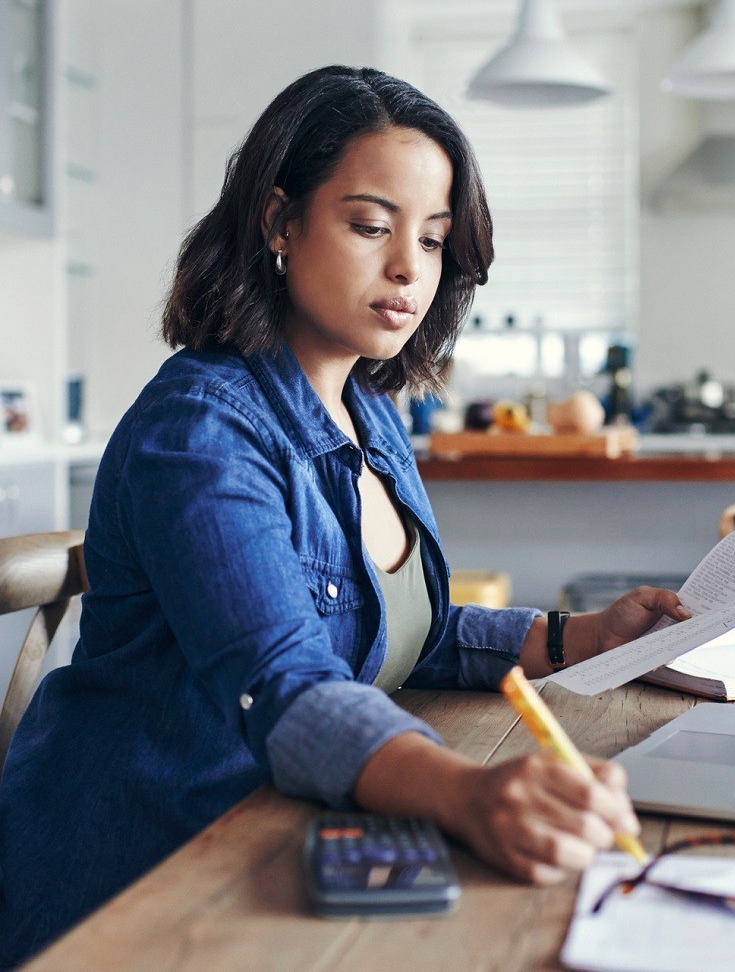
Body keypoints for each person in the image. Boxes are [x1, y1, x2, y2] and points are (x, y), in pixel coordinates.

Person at [0, 66, 688, 967]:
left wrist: (584, 637)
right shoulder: (201, 431)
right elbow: (287, 680)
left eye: (433, 239)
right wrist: (469, 794)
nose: (409, 267)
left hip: (279, 839)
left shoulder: (371, 413)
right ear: (280, 222)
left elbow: (390, 633)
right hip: (144, 879)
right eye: (370, 226)